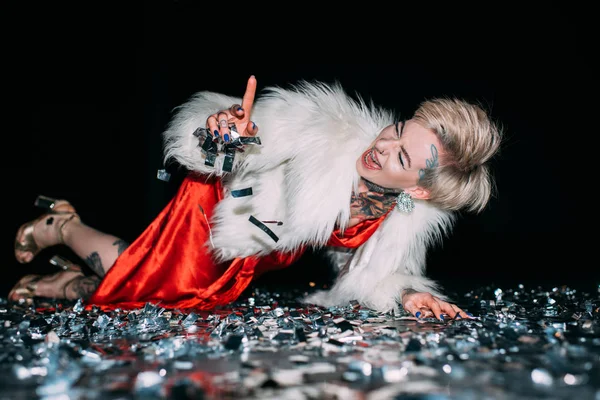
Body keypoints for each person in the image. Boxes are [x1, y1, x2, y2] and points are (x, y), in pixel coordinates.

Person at [11, 75, 502, 320]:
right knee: (152, 289)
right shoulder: (324, 126)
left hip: (256, 255)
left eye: (401, 158)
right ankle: (61, 227)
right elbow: (246, 134)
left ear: (417, 188)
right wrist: (225, 134)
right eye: (396, 131)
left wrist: (407, 294)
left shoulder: (406, 216)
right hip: (219, 208)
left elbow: (374, 273)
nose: (382, 147)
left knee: (166, 303)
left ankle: (62, 280)